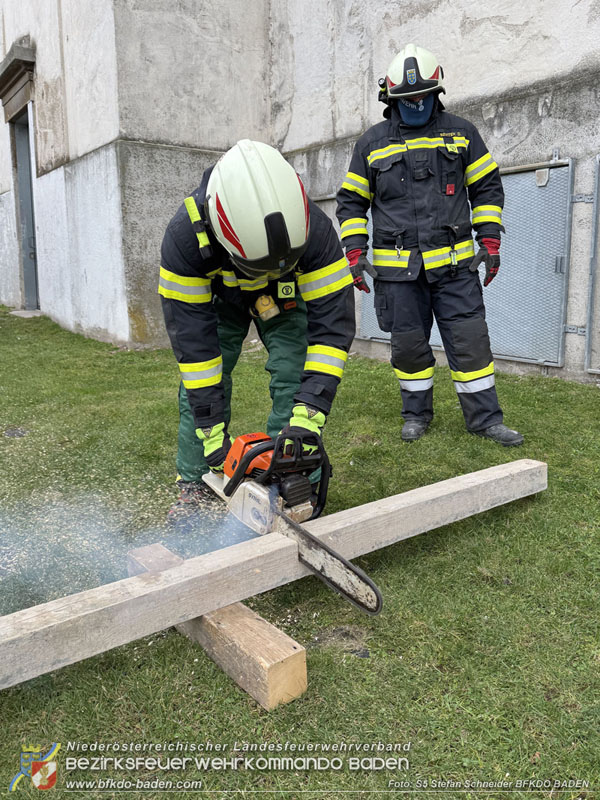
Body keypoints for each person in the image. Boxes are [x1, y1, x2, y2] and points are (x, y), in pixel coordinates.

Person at [336, 44, 523, 446]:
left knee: (471, 343)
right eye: (408, 98)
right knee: (408, 348)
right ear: (391, 98)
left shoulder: (462, 133)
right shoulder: (370, 144)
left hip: (456, 270)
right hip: (399, 276)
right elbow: (351, 202)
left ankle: (485, 420)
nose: (417, 104)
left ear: (437, 92)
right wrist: (354, 251)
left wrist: (490, 240)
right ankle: (416, 415)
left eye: (424, 95)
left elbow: (487, 188)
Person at [159, 139, 355, 516]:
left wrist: (308, 419)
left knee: (294, 370)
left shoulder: (315, 229)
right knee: (203, 384)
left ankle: (295, 475)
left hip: (286, 294)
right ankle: (195, 485)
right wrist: (212, 435)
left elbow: (330, 333)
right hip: (219, 297)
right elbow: (197, 353)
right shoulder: (185, 240)